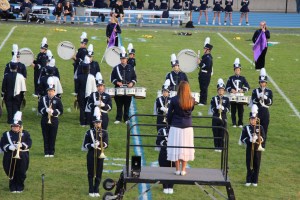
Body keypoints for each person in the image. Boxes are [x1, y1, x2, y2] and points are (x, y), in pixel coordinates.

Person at [167, 81, 195, 176]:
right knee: (185, 148)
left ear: (179, 88)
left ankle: (177, 169)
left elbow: (169, 113)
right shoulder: (192, 100)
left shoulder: (174, 99)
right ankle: (183, 170)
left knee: (176, 147)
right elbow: (190, 110)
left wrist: (170, 123)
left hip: (176, 126)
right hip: (188, 127)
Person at [0, 111, 32, 193]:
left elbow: (29, 143)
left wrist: (21, 145)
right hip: (9, 155)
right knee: (10, 170)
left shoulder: (25, 133)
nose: (15, 128)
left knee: (21, 171)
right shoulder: (6, 134)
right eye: (13, 126)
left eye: (17, 126)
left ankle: (20, 186)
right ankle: (12, 187)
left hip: (22, 155)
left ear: (20, 127)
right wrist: (9, 147)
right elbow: (2, 144)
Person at [83, 107, 108, 197]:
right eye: (96, 122)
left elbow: (106, 144)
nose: (98, 124)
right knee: (90, 172)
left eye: (99, 122)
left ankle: (96, 189)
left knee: (99, 172)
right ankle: (91, 189)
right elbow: (85, 145)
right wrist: (92, 145)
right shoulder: (88, 132)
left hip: (100, 154)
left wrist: (100, 143)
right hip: (91, 154)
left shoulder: (104, 132)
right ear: (94, 123)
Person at [239, 105, 265, 187]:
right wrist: (249, 140)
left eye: (254, 119)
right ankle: (248, 180)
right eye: (251, 119)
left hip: (257, 148)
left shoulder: (260, 127)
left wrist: (258, 138)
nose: (253, 121)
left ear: (256, 119)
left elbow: (264, 137)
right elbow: (242, 139)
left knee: (256, 164)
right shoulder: (246, 127)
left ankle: (255, 180)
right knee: (249, 164)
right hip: (249, 148)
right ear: (249, 119)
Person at [110, 47, 137, 124]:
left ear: (127, 59)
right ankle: (118, 118)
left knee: (127, 104)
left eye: (124, 58)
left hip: (128, 89)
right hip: (119, 88)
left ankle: (126, 118)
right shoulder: (116, 68)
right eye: (122, 58)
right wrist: (117, 82)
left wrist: (132, 83)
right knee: (119, 104)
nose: (123, 60)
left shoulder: (131, 68)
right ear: (120, 59)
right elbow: (112, 78)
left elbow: (134, 78)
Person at [38, 78, 63, 157]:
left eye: (51, 91)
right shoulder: (43, 99)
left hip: (54, 120)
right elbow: (39, 109)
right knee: (45, 136)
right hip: (45, 119)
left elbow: (61, 111)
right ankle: (46, 152)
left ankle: (51, 152)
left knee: (52, 136)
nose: (50, 92)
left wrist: (53, 112)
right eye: (49, 91)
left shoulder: (57, 100)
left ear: (54, 91)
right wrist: (45, 110)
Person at [225, 58, 250, 128]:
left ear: (240, 70)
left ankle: (240, 123)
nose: (237, 71)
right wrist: (231, 90)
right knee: (233, 110)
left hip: (240, 96)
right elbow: (226, 87)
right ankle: (233, 123)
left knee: (240, 110)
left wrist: (243, 90)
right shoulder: (231, 78)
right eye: (236, 70)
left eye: (238, 70)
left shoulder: (243, 78)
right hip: (233, 96)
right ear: (234, 70)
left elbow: (248, 86)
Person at [251, 68, 272, 148]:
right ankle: (255, 143)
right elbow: (253, 101)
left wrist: (266, 98)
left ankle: (262, 145)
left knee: (264, 129)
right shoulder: (255, 91)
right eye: (261, 82)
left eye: (264, 82)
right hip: (257, 112)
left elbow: (270, 102)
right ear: (259, 83)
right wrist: (258, 97)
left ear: (266, 83)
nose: (262, 84)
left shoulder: (269, 91)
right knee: (256, 128)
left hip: (265, 112)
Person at [2, 55, 27, 124]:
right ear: (17, 67)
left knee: (9, 107)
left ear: (10, 67)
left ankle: (10, 120)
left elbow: (3, 87)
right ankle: (15, 119)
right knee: (16, 106)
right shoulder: (20, 76)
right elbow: (23, 89)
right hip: (18, 95)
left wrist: (3, 94)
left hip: (8, 94)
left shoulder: (6, 76)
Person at [75, 56, 97, 127]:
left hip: (81, 94)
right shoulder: (92, 77)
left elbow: (77, 87)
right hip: (89, 94)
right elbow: (94, 89)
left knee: (82, 108)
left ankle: (82, 122)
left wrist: (76, 94)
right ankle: (88, 122)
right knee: (88, 108)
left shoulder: (79, 77)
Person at [210, 79, 230, 152]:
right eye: (219, 90)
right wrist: (216, 108)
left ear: (224, 91)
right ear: (217, 91)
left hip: (223, 117)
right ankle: (216, 147)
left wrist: (223, 108)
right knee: (215, 132)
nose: (220, 91)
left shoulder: (227, 99)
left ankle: (221, 147)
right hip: (215, 117)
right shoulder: (214, 99)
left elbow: (228, 109)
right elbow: (211, 109)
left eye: (222, 90)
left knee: (222, 132)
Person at [156, 126, 175, 194]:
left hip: (174, 153)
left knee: (173, 169)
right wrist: (165, 143)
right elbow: (158, 142)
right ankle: (165, 186)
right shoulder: (162, 130)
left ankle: (171, 186)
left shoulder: (177, 130)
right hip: (164, 153)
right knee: (163, 169)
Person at [198, 38, 213, 106]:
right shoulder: (205, 56)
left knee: (204, 88)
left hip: (205, 75)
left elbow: (206, 66)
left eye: (205, 48)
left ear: (208, 50)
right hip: (203, 74)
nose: (204, 49)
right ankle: (201, 100)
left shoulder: (208, 58)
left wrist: (199, 63)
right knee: (202, 88)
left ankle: (203, 102)